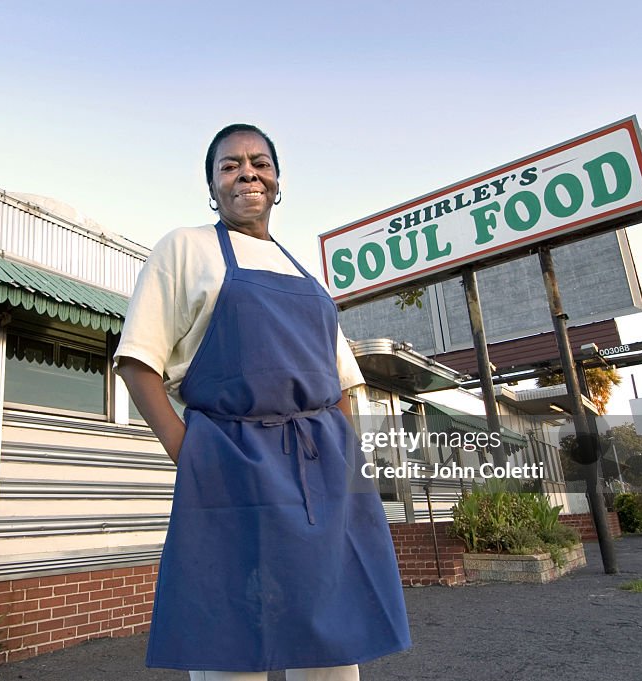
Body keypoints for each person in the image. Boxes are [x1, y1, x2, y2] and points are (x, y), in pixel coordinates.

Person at [114, 124, 410, 680]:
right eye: (229, 165)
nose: (247, 172)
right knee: (232, 636)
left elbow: (341, 383)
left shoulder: (311, 279)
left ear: (277, 182)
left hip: (321, 468)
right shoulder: (185, 248)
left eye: (260, 162)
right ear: (212, 186)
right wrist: (193, 454)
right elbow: (137, 361)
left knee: (328, 639)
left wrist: (346, 467)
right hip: (232, 460)